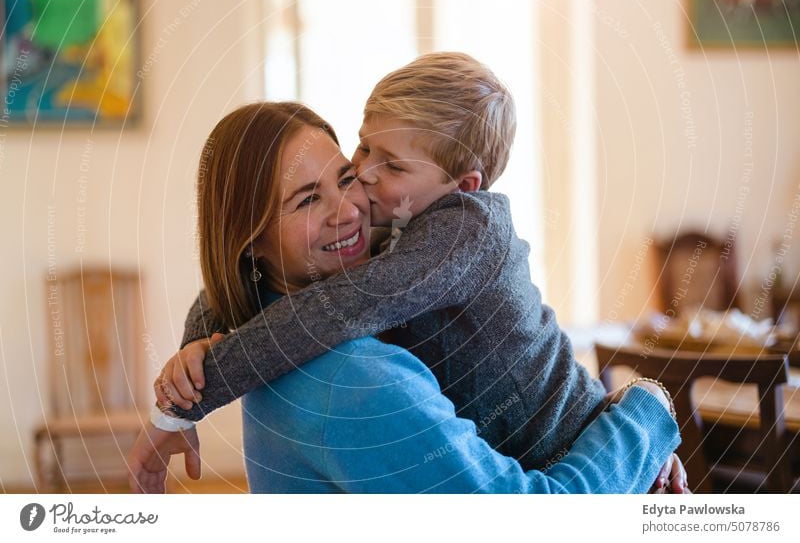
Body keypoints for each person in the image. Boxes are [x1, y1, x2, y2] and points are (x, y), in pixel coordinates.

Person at [128, 101, 683, 494]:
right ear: (249, 241)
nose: (348, 209)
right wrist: (646, 414)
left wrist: (195, 370)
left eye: (347, 178)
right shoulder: (358, 381)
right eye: (305, 201)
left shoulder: (280, 320)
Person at [160, 53, 615, 469]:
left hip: (566, 436)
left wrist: (195, 393)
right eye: (364, 146)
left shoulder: (463, 232)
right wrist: (197, 345)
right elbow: (234, 269)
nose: (363, 173)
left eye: (393, 165)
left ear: (464, 186)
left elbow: (340, 308)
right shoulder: (398, 210)